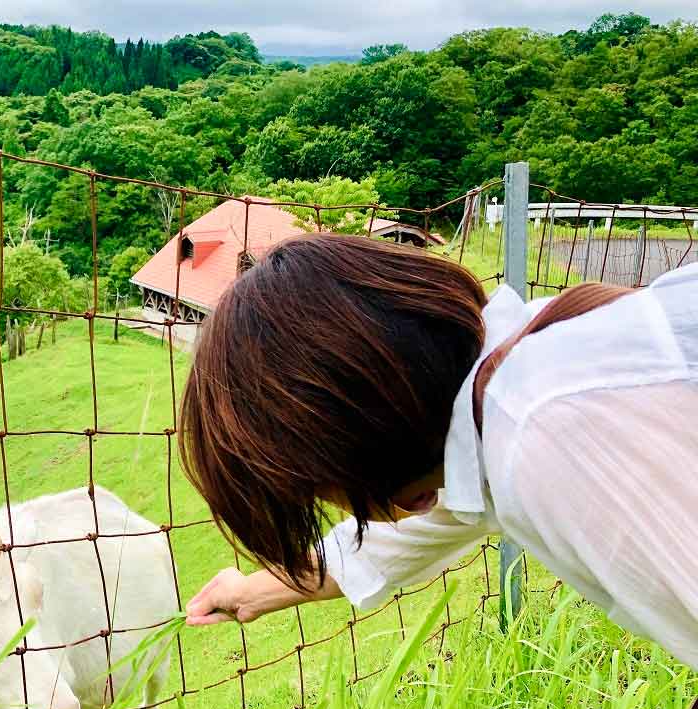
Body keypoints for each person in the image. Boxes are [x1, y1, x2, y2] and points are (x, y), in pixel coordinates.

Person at [178, 232, 698, 670]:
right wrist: (249, 593)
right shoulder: (502, 392)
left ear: (350, 437)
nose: (336, 502)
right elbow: (386, 544)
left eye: (313, 484)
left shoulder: (541, 427)